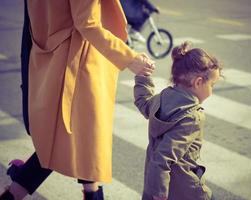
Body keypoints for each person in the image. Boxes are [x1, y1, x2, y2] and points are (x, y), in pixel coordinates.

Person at [0, 0, 155, 199]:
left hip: (51, 59)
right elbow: (87, 24)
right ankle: (14, 193)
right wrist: (130, 58)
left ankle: (14, 193)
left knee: (72, 143)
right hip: (78, 65)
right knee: (78, 143)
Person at [134, 41, 222, 200]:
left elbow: (143, 102)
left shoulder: (163, 97)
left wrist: (142, 77)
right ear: (198, 82)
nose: (212, 91)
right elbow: (164, 156)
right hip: (185, 190)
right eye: (212, 85)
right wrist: (159, 193)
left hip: (154, 183)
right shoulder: (192, 117)